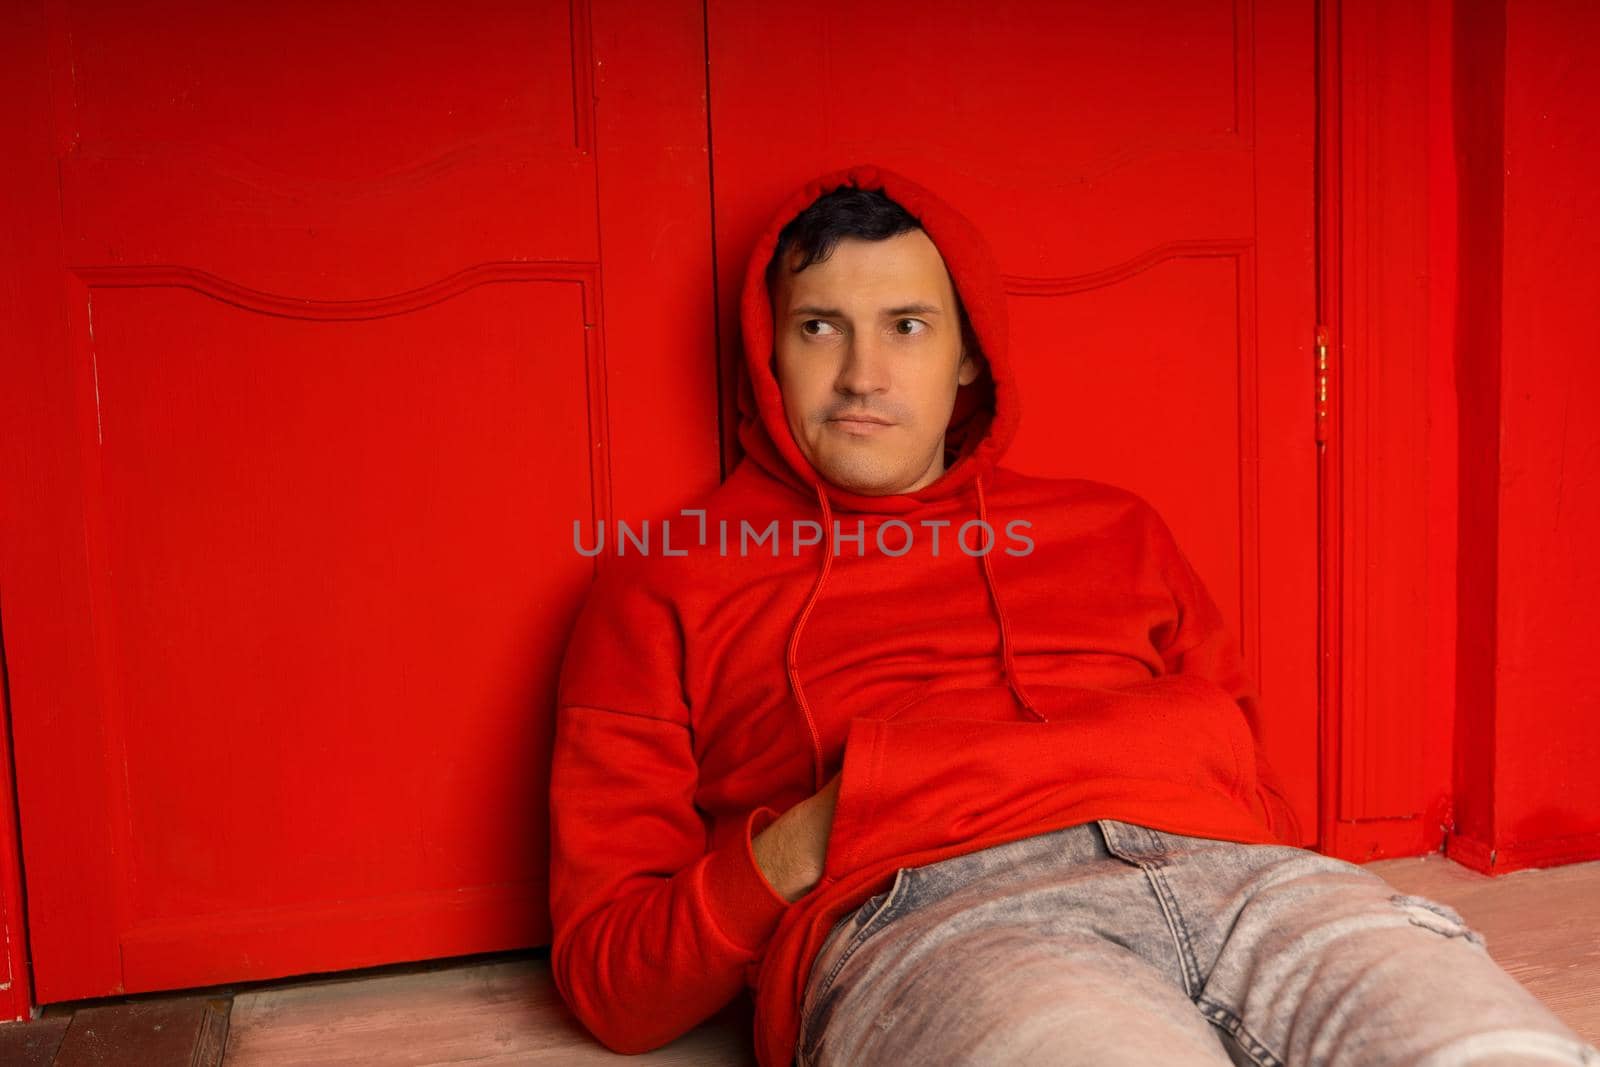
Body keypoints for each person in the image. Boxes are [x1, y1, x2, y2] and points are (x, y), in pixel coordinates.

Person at [547, 163, 1599, 1066]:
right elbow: (615, 981)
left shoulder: (1111, 529)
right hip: (939, 920)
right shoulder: (665, 580)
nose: (861, 374)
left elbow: (1256, 783)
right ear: (768, 351)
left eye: (905, 326)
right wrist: (811, 837)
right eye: (820, 327)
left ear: (968, 354)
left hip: (1249, 885)